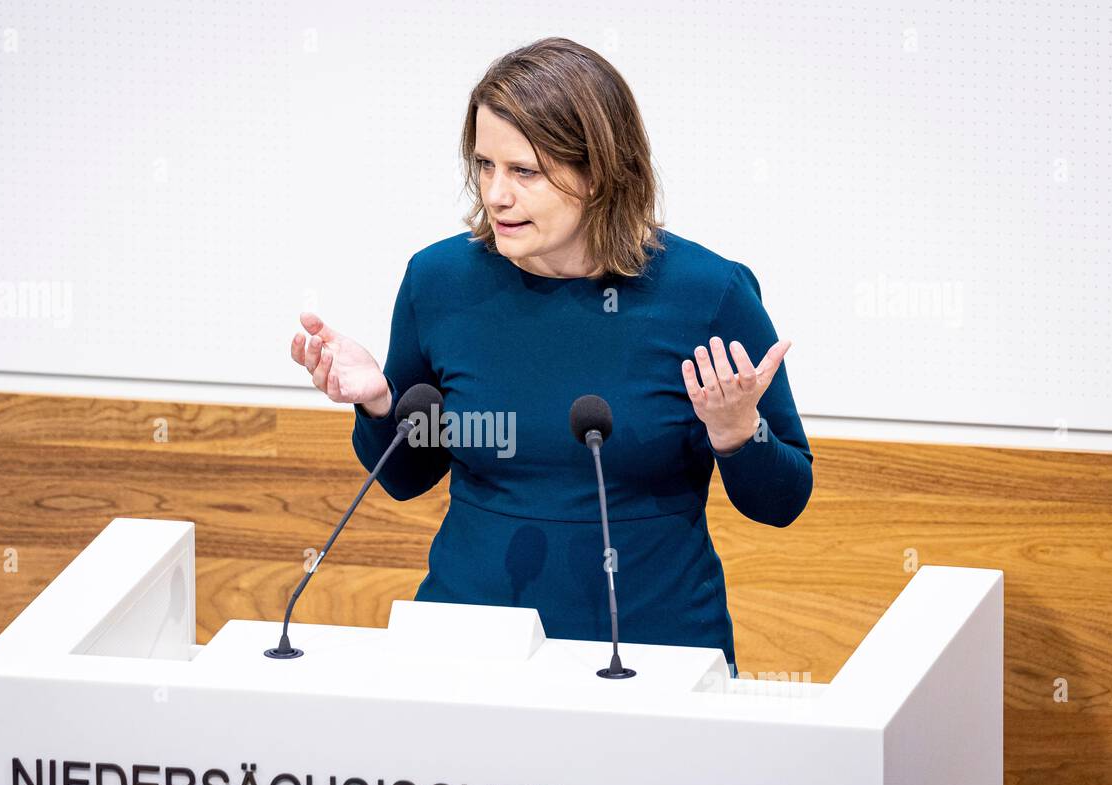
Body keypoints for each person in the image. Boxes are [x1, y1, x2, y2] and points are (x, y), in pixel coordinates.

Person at [287, 37, 812, 678]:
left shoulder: (707, 295)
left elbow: (784, 500)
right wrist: (377, 405)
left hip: (652, 656)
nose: (496, 195)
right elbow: (405, 479)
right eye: (485, 166)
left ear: (600, 172)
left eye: (524, 172)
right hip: (467, 650)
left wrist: (737, 436)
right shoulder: (440, 281)